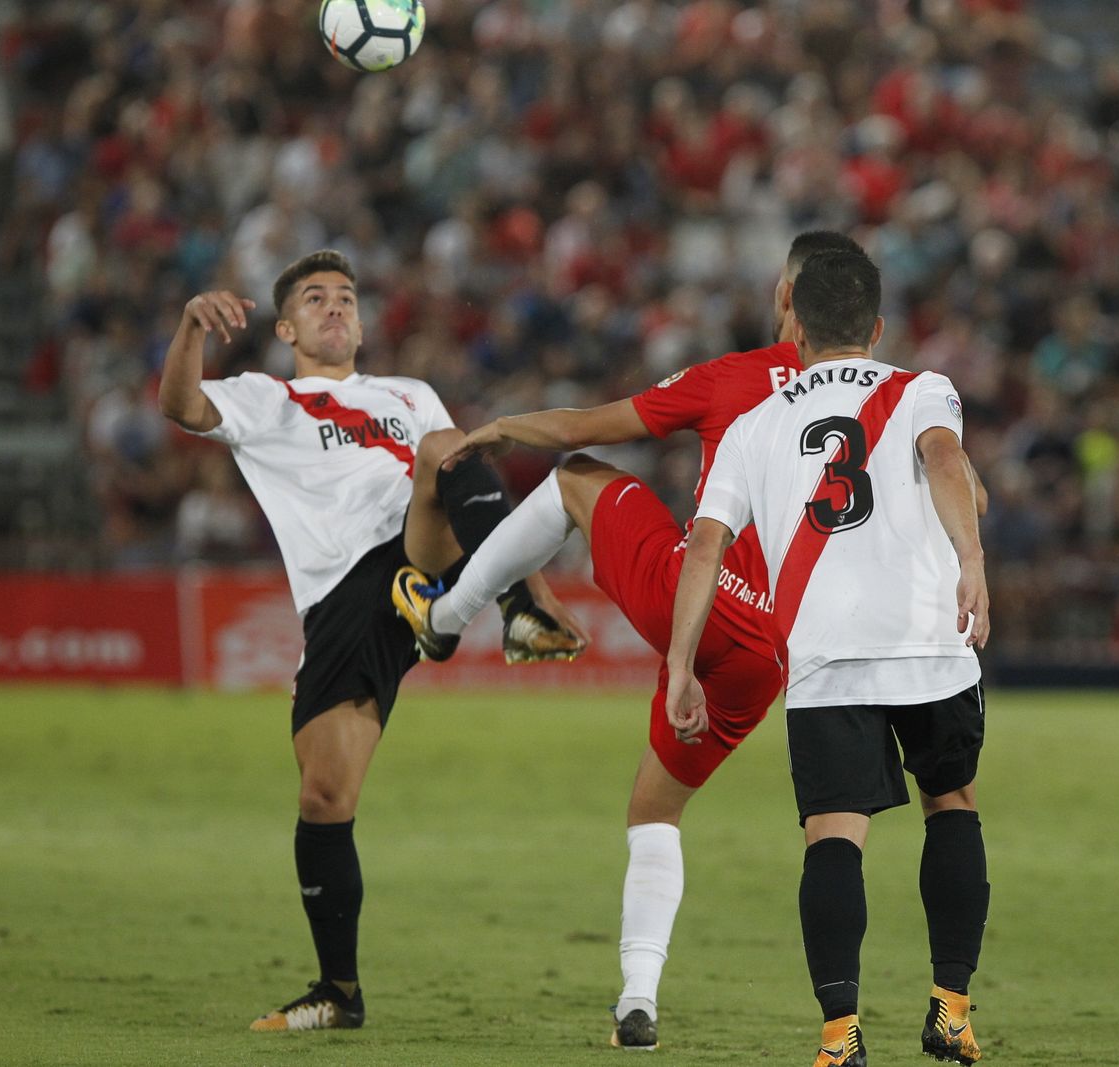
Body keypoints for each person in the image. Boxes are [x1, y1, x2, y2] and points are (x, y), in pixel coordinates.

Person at [390, 231, 878, 1050]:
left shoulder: (740, 376)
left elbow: (594, 422)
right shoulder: (892, 400)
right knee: (659, 808)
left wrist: (509, 425)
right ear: (872, 322)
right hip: (777, 651)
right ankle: (635, 1003)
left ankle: (446, 618)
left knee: (578, 474)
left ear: (788, 301)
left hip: (695, 596)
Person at [156, 249, 583, 1032]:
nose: (335, 307)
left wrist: (536, 588)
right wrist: (190, 326)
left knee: (447, 447)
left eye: (347, 296)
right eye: (315, 298)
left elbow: (460, 484)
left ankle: (500, 604)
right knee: (324, 797)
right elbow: (182, 406)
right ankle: (339, 990)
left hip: (416, 544)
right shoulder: (267, 398)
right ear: (285, 326)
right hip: (343, 595)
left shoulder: (408, 394)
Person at [663, 249, 991, 1067]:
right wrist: (974, 559)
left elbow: (705, 544)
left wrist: (677, 664)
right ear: (878, 328)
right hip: (927, 643)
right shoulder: (919, 388)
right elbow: (948, 465)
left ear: (795, 327)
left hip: (825, 656)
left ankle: (840, 1037)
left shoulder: (752, 426)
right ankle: (950, 1010)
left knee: (833, 838)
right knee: (950, 802)